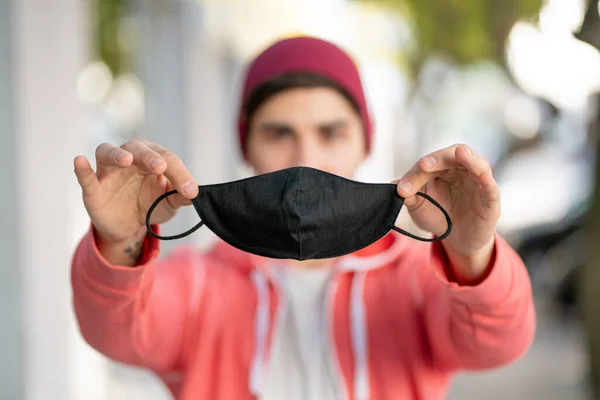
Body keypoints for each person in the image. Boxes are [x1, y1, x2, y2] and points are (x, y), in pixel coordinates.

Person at [71, 36, 535, 400]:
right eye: (279, 134)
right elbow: (117, 334)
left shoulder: (417, 278)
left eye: (331, 133)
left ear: (364, 143)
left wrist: (472, 253)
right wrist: (121, 243)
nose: (305, 159)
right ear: (246, 146)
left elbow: (495, 346)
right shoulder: (198, 280)